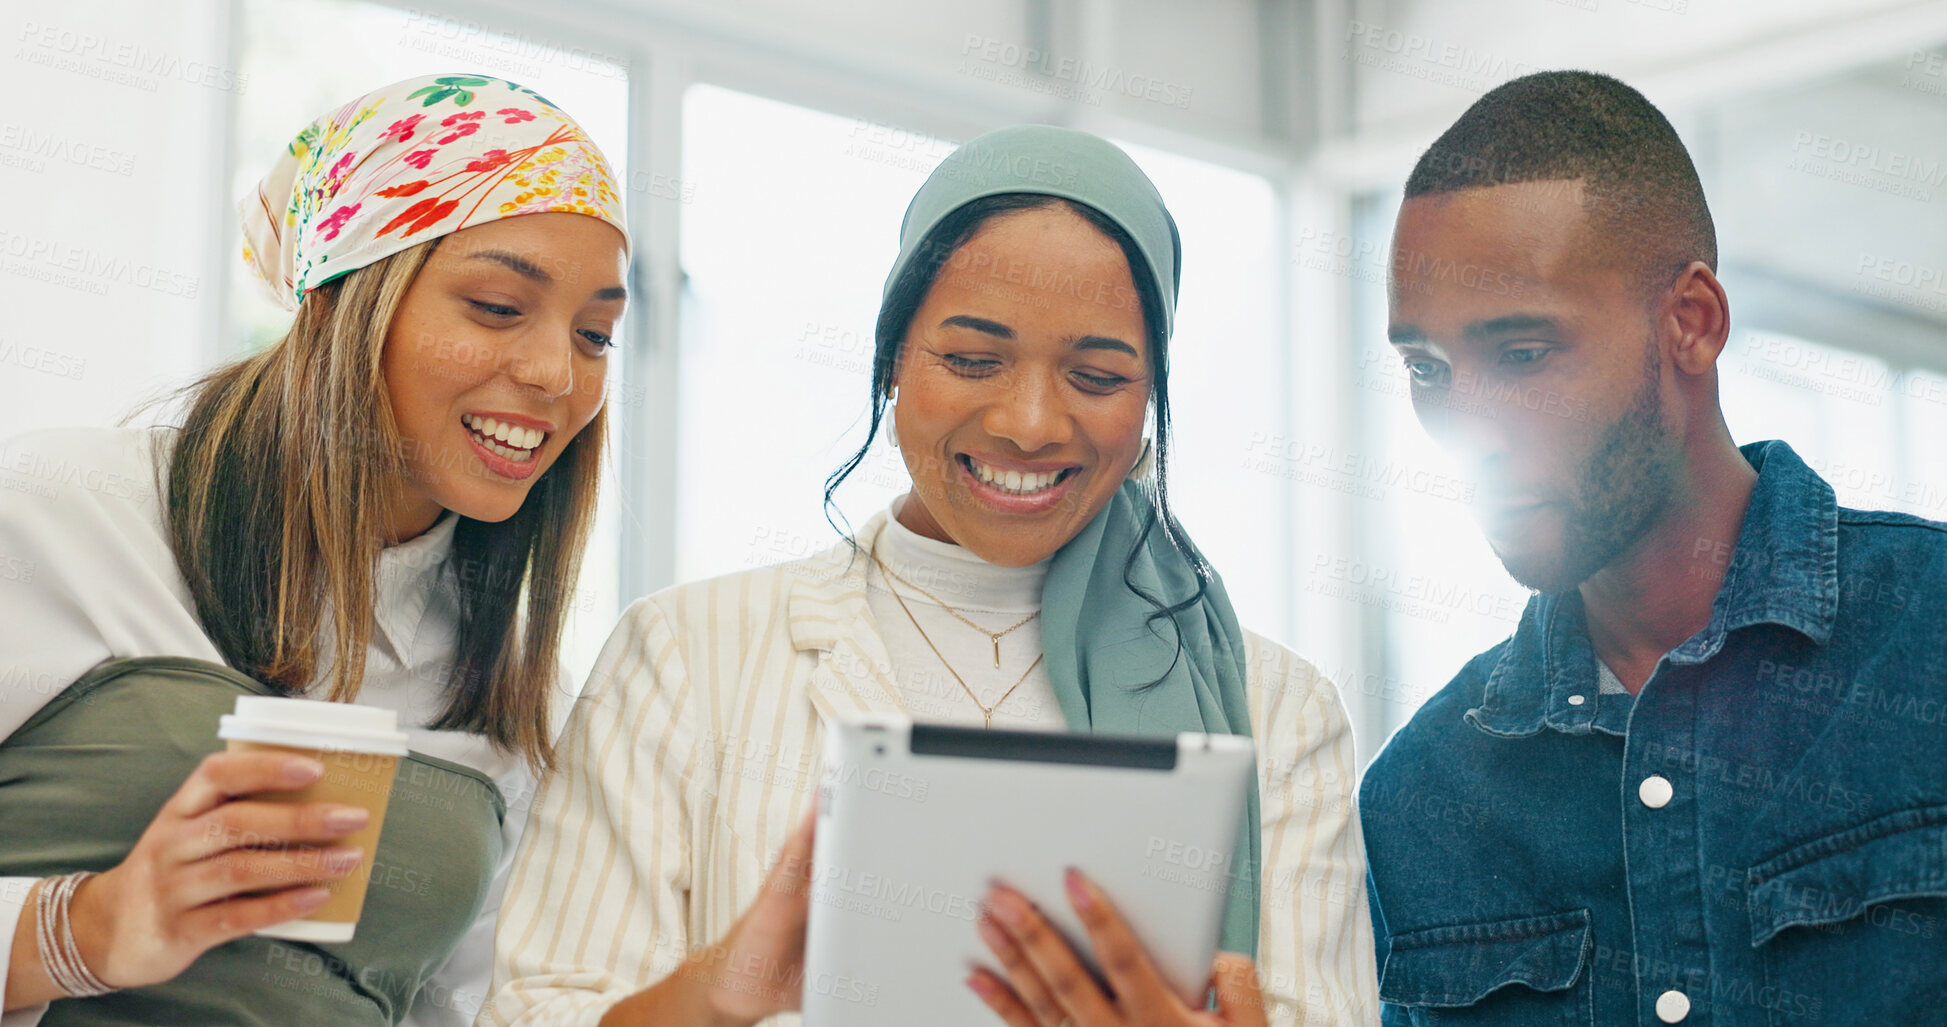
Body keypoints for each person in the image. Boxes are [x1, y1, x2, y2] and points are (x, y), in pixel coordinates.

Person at [482, 126, 1376, 1026]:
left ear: (1150, 399)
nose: (1029, 423)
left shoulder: (1278, 710)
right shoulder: (682, 655)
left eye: (1098, 375)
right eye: (971, 359)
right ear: (890, 361)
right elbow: (532, 1010)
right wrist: (711, 996)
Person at [0, 72, 629, 1026]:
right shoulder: (59, 513)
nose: (557, 373)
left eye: (595, 334)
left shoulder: (522, 702)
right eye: (499, 306)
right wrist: (75, 930)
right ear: (344, 299)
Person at [1360, 70, 1947, 1024]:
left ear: (1691, 322)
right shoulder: (1419, 795)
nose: (1468, 426)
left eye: (1519, 355)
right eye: (1427, 367)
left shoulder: (1931, 638)